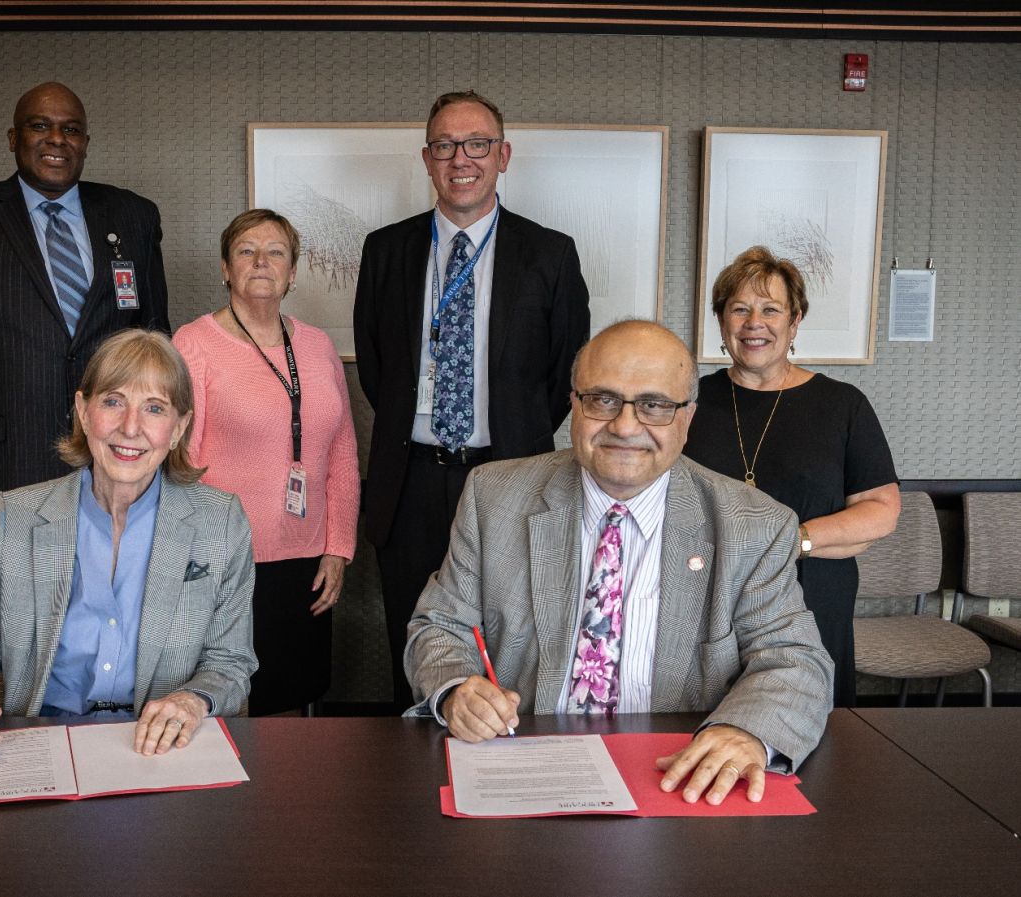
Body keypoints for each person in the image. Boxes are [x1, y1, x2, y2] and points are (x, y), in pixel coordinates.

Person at [405, 321, 833, 805]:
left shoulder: (754, 525)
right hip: (521, 763)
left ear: (687, 418)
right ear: (574, 405)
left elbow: (795, 659)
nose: (625, 426)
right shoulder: (494, 496)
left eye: (654, 405)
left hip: (677, 774)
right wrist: (456, 689)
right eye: (603, 400)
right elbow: (439, 625)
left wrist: (746, 730)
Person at [354, 90, 590, 708]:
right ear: (427, 159)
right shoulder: (386, 251)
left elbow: (566, 371)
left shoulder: (550, 254)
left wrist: (513, 433)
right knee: (412, 632)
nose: (461, 157)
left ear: (503, 155)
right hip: (409, 481)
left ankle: (503, 765)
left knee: (509, 635)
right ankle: (414, 772)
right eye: (445, 145)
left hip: (509, 476)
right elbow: (378, 371)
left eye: (477, 143)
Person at [0, 330, 256, 756]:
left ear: (178, 428)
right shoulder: (14, 518)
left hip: (162, 748)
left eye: (154, 408)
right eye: (113, 401)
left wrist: (192, 701)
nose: (130, 427)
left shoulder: (221, 522)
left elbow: (230, 661)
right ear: (83, 411)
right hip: (43, 740)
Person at [0, 81, 170, 558]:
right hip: (5, 470)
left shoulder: (132, 216)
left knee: (115, 622)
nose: (57, 140)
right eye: (40, 126)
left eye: (71, 130)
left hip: (117, 470)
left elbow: (157, 349)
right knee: (15, 628)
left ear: (86, 142)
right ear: (12, 137)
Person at [683, 246, 900, 707]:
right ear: (721, 322)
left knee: (811, 730)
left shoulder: (843, 405)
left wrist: (791, 540)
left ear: (795, 320)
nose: (753, 322)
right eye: (739, 309)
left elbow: (880, 513)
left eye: (770, 309)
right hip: (704, 598)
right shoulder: (688, 402)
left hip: (814, 597)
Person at [173, 210, 359, 716]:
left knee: (296, 692)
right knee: (230, 700)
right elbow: (179, 459)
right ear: (225, 269)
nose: (261, 261)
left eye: (276, 251)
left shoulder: (317, 346)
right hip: (222, 558)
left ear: (293, 271)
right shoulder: (194, 345)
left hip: (306, 556)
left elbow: (342, 453)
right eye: (246, 251)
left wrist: (338, 547)